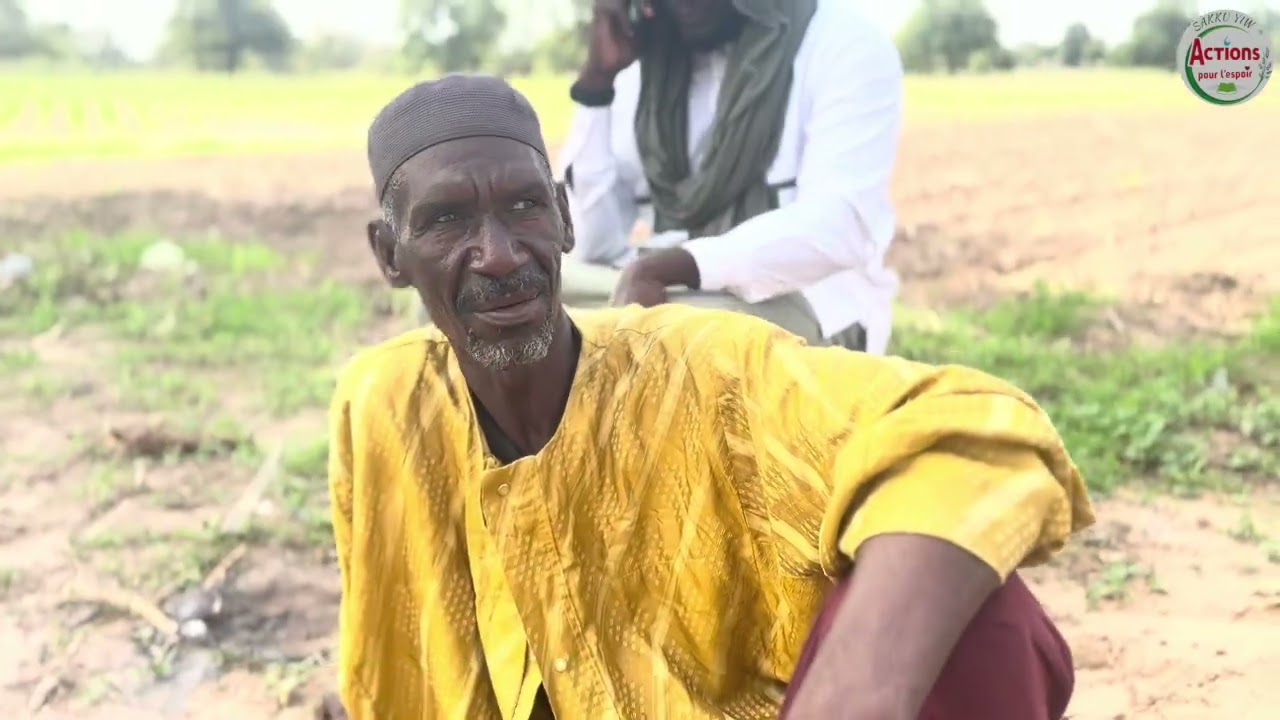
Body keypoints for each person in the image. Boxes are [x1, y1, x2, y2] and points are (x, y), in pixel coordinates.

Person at [330, 74, 1094, 720]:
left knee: (985, 618)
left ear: (565, 218)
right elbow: (404, 654)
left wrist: (855, 692)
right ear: (389, 255)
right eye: (445, 221)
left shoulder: (699, 367)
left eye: (524, 207)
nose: (498, 255)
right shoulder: (385, 402)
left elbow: (975, 428)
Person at [558, 0, 903, 355]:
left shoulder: (842, 43)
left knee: (681, 337)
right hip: (663, 287)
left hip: (812, 305)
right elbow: (593, 245)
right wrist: (597, 88)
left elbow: (840, 225)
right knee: (531, 300)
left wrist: (680, 265)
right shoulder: (644, 66)